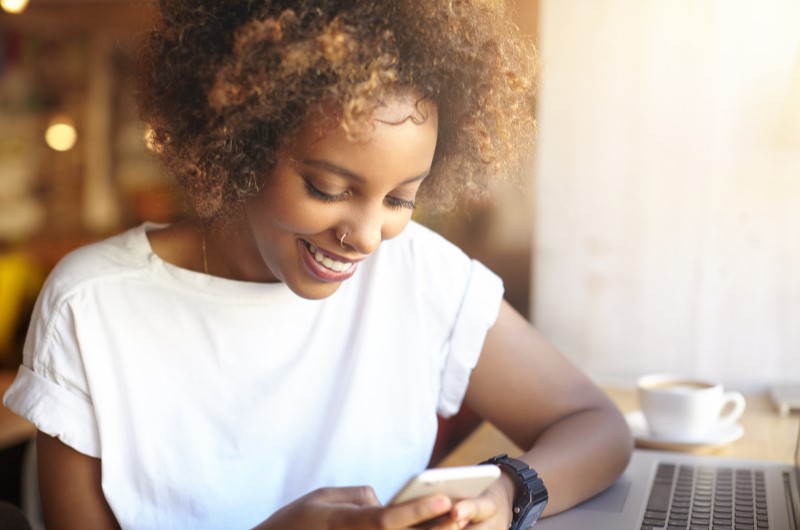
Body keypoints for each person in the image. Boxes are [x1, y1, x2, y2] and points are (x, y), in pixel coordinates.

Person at [3, 1, 633, 529]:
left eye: (399, 199)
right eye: (329, 189)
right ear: (237, 143)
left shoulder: (419, 275)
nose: (364, 236)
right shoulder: (93, 306)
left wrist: (507, 492)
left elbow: (596, 426)